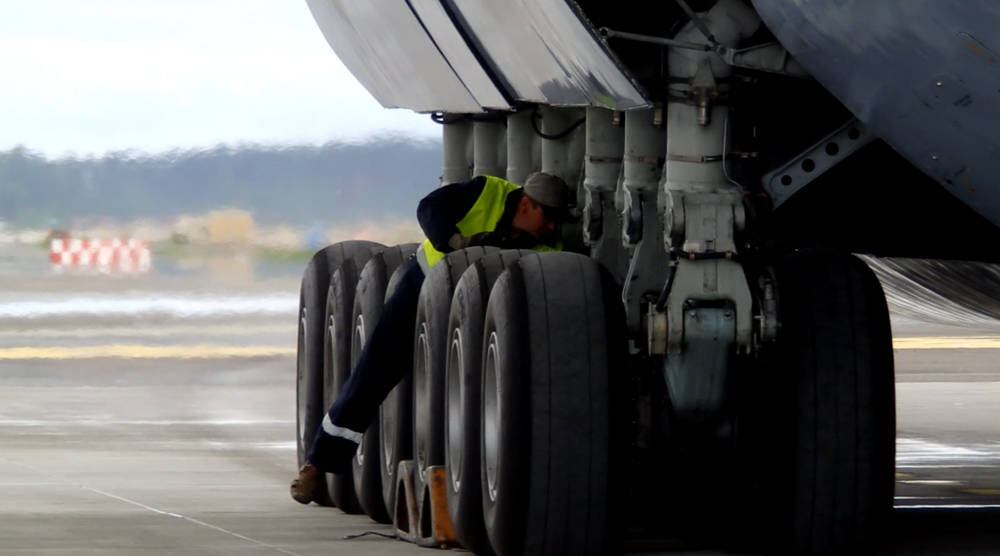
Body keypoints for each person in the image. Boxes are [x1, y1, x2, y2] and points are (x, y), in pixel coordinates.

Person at [291, 171, 573, 503]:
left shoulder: (548, 248)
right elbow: (429, 208)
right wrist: (455, 242)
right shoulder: (486, 192)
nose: (553, 227)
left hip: (478, 315)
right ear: (527, 204)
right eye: (549, 217)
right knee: (374, 371)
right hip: (423, 288)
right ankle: (317, 466)